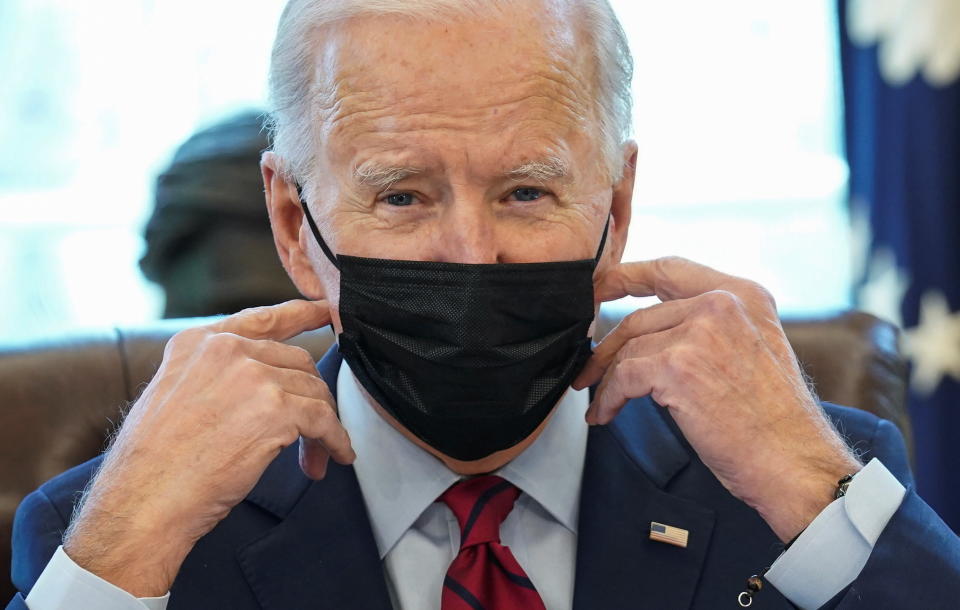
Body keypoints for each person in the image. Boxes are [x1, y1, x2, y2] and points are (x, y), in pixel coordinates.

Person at [8, 1, 960, 609]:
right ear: (295, 225)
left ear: (616, 210)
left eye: (527, 192)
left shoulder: (815, 484)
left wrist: (805, 482)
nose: (469, 254)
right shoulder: (109, 534)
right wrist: (122, 553)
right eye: (402, 196)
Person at [139, 110, 301, 318]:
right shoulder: (304, 172)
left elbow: (154, 255)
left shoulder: (191, 169)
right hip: (295, 306)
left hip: (199, 304)